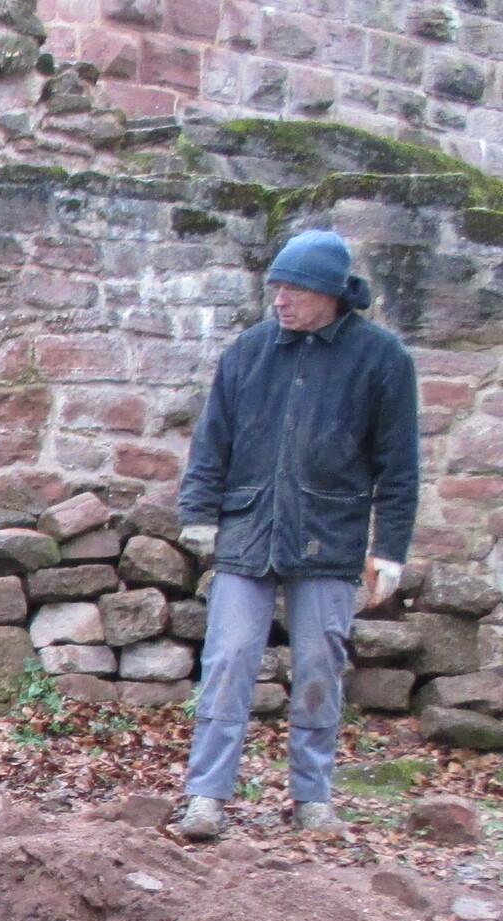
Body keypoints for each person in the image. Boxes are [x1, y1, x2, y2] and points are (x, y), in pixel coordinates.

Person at [173, 229, 419, 840]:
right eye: (275, 287)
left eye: (294, 290)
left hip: (328, 537)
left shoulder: (382, 359)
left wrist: (389, 549)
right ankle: (205, 797)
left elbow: (398, 466)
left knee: (318, 666)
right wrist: (199, 513)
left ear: (332, 293)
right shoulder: (248, 351)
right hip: (248, 530)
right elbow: (212, 440)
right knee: (228, 658)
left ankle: (312, 798)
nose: (279, 299)